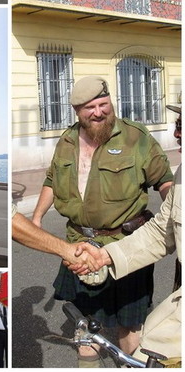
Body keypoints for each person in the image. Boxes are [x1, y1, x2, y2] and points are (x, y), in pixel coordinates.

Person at [32, 76, 173, 367]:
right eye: (89, 108)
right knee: (85, 328)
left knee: (130, 327)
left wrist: (177, 218)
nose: (99, 112)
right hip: (79, 247)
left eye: (103, 104)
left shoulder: (136, 137)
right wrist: (36, 218)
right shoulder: (67, 140)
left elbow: (165, 182)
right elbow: (51, 178)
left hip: (127, 247)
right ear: (77, 112)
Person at [69, 100, 182, 365]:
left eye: (182, 125)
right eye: (178, 124)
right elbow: (160, 231)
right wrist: (104, 256)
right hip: (98, 247)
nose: (177, 133)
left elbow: (159, 178)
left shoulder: (138, 137)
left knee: (134, 331)